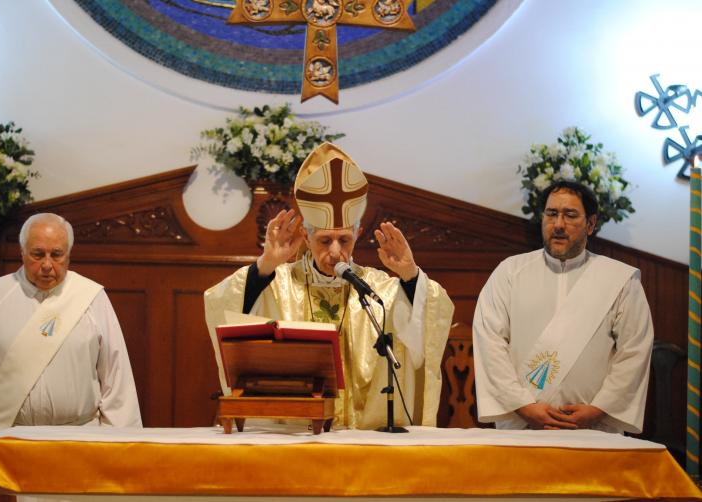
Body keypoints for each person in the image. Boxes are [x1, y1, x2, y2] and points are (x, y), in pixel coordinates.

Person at [205, 142, 454, 429]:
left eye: (344, 240)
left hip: (364, 438)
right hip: (294, 439)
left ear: (358, 234)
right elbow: (221, 303)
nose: (335, 252)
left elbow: (432, 313)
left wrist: (410, 274)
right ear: (305, 235)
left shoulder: (376, 289)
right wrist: (265, 265)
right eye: (325, 241)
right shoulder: (278, 283)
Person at [0, 213, 142, 486]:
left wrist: (120, 447)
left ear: (69, 255)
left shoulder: (92, 298)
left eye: (57, 255)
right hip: (4, 442)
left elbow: (117, 378)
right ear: (21, 252)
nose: (47, 265)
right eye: (37, 254)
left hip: (77, 442)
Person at [473, 180, 653, 433]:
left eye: (570, 215)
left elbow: (634, 350)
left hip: (594, 428)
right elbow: (489, 342)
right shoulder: (510, 272)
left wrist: (599, 409)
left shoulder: (619, 280)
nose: (558, 224)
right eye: (551, 214)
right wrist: (523, 405)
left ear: (590, 224)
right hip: (523, 425)